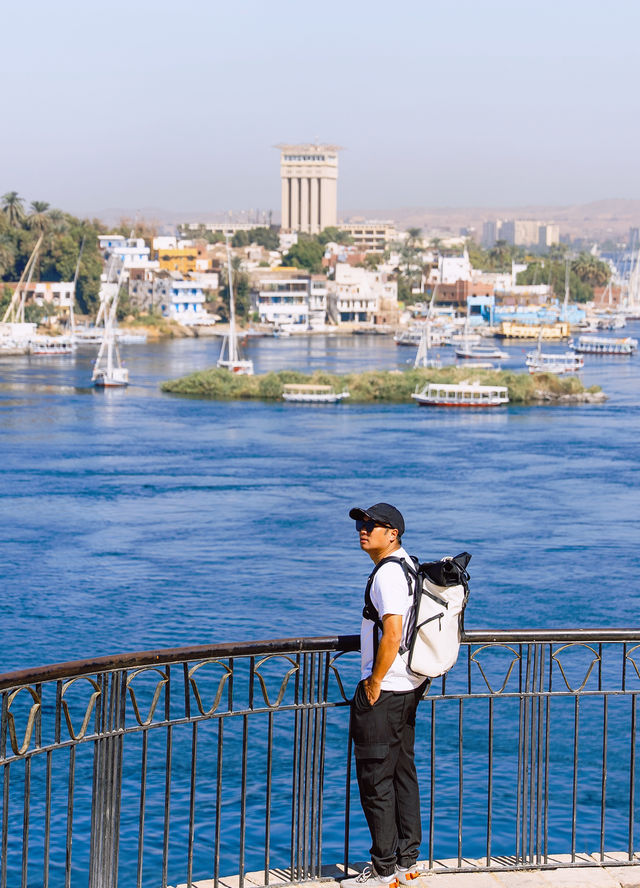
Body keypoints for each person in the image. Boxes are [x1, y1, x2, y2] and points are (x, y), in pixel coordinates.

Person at [342, 503, 427, 888]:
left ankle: (383, 870)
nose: (363, 529)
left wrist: (373, 681)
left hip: (387, 688)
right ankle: (408, 862)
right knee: (401, 773)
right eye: (361, 524)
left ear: (392, 533)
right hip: (409, 685)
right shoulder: (410, 566)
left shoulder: (387, 575)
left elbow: (393, 632)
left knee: (376, 780)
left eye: (370, 525)